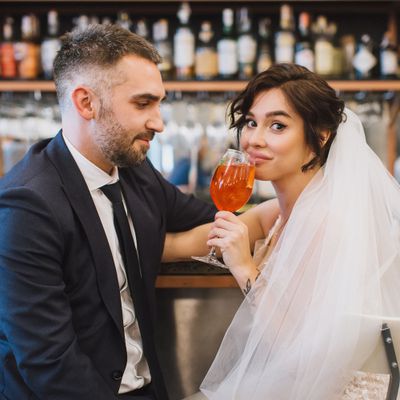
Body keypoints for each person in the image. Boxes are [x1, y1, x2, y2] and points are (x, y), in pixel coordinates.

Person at [0, 24, 216, 400]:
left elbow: (205, 216)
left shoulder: (135, 171)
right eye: (143, 103)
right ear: (86, 103)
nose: (159, 122)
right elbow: (50, 365)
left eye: (159, 103)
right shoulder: (28, 206)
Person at [190, 63, 400, 399]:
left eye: (277, 126)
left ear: (319, 136)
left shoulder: (327, 220)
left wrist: (244, 266)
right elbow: (193, 240)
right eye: (250, 122)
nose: (254, 139)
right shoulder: (277, 211)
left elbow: (299, 350)